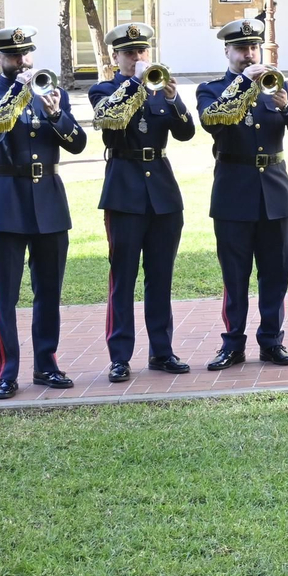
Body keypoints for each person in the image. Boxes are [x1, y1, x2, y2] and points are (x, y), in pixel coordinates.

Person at [0, 25, 88, 398]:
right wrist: (18, 94)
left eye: (26, 54)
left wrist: (55, 115)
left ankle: (46, 365)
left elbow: (78, 142)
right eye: (14, 56)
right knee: (6, 294)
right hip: (7, 200)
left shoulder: (51, 92)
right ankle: (7, 372)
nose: (22, 61)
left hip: (48, 199)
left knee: (48, 291)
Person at [195, 18, 288, 372]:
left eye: (253, 48)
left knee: (275, 272)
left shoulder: (276, 85)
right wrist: (244, 84)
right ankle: (232, 343)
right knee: (235, 274)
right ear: (227, 51)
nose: (249, 55)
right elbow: (211, 121)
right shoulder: (212, 88)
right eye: (242, 49)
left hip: (275, 192)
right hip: (234, 190)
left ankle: (272, 341)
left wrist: (287, 108)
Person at [88, 23, 195, 383]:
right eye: (130, 53)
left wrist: (171, 98)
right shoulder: (104, 90)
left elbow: (185, 132)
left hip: (162, 191)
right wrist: (134, 83)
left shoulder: (157, 87)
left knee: (161, 277)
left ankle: (162, 352)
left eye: (141, 52)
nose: (137, 58)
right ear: (115, 57)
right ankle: (120, 357)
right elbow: (110, 125)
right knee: (123, 278)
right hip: (124, 188)